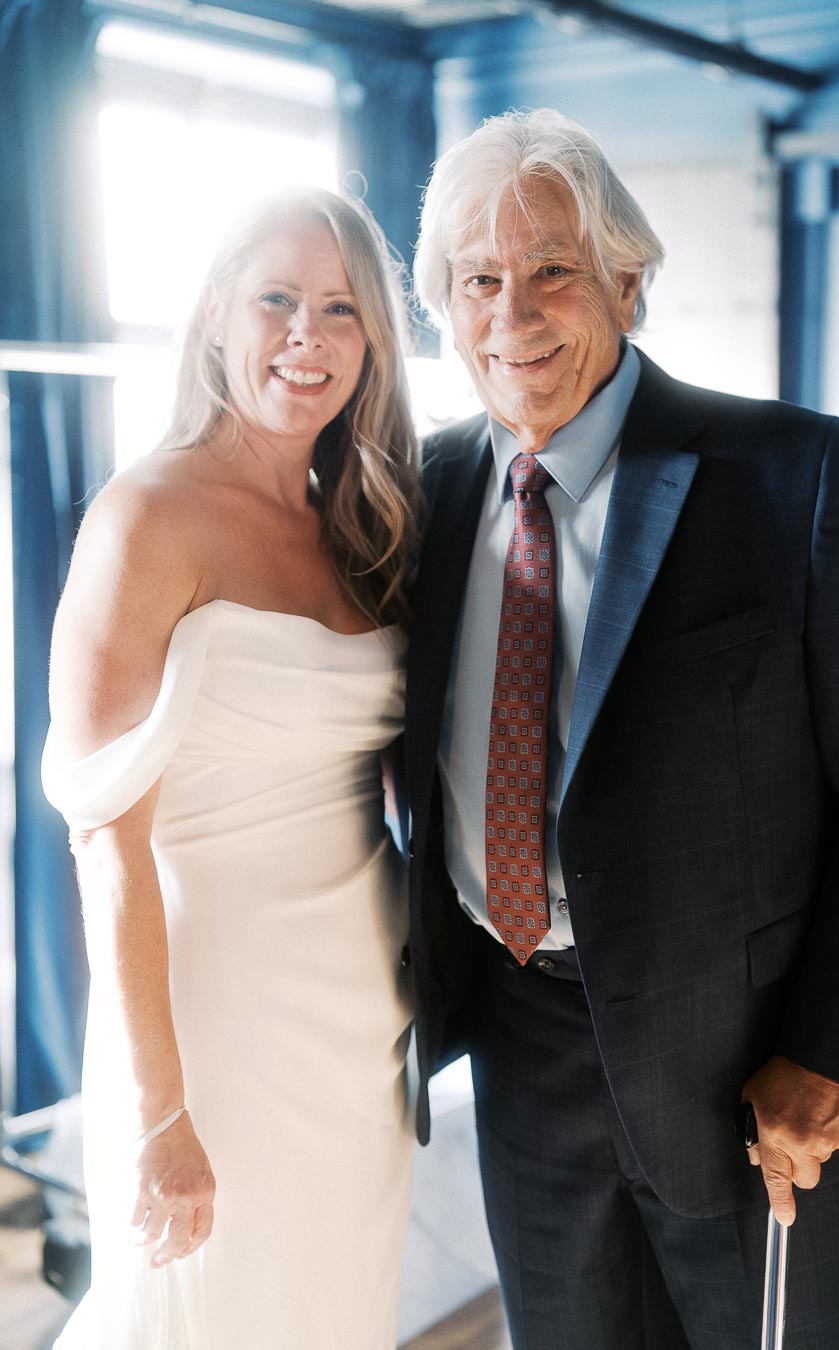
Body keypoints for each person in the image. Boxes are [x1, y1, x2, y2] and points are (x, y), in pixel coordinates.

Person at [404, 108, 839, 1349]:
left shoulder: (802, 475)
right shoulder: (421, 492)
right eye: (478, 280)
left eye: (552, 270)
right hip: (522, 1052)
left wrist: (835, 1053)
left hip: (752, 1078)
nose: (512, 315)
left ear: (628, 281)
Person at [41, 187, 421, 1349]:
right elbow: (105, 836)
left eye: (342, 310)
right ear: (215, 316)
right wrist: (160, 1111)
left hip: (362, 1029)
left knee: (336, 1311)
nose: (307, 337)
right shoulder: (147, 516)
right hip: (212, 1023)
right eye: (277, 301)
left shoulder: (362, 522)